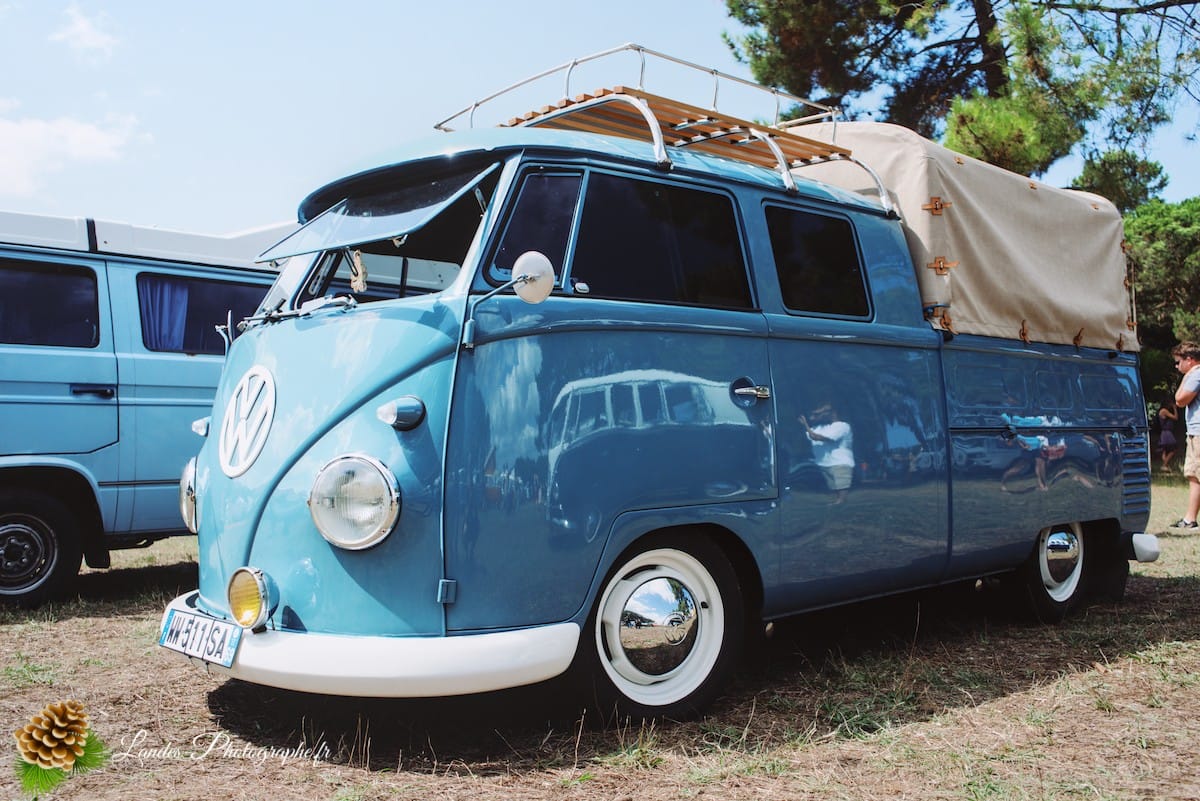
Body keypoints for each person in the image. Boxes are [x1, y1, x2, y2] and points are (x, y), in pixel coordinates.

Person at [1170, 342, 1200, 529]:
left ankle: (1190, 520)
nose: (1177, 366)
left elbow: (1180, 400)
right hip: (1195, 432)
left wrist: (1186, 376)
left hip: (1198, 432)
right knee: (1194, 475)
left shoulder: (1195, 374)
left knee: (1195, 474)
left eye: (1178, 361)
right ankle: (1190, 519)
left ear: (1189, 360)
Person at [799, 402, 854, 504]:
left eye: (820, 413)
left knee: (841, 491)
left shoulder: (842, 426)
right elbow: (811, 435)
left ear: (832, 412)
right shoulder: (818, 428)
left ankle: (841, 505)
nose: (816, 416)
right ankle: (838, 506)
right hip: (824, 463)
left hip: (840, 463)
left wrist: (805, 424)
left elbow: (817, 437)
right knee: (834, 489)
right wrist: (809, 423)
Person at [1156, 401, 1179, 471]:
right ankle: (1164, 465)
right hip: (1167, 432)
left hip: (1165, 432)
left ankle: (1165, 466)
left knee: (1165, 450)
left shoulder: (1162, 411)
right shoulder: (1164, 411)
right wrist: (1175, 408)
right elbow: (1175, 417)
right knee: (1173, 449)